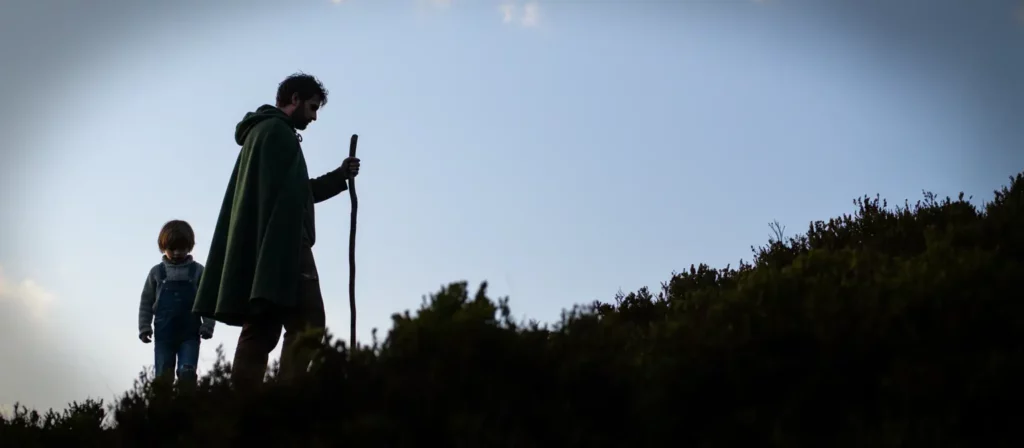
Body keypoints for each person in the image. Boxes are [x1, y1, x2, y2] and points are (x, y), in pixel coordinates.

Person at [192, 72, 361, 388]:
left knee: (262, 326)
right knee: (309, 322)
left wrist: (339, 177)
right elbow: (292, 200)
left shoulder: (261, 133)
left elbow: (293, 192)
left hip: (262, 250)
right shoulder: (277, 133)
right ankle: (287, 401)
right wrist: (291, 247)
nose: (313, 117)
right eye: (311, 107)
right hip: (285, 247)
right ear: (294, 99)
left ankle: (245, 410)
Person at [138, 219, 216, 384]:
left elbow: (208, 300)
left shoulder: (198, 271)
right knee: (163, 378)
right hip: (163, 336)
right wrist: (144, 327)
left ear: (190, 246)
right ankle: (162, 409)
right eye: (172, 248)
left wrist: (208, 325)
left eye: (182, 248)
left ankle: (186, 406)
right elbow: (146, 301)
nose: (177, 253)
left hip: (190, 335)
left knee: (187, 373)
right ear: (163, 247)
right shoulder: (156, 273)